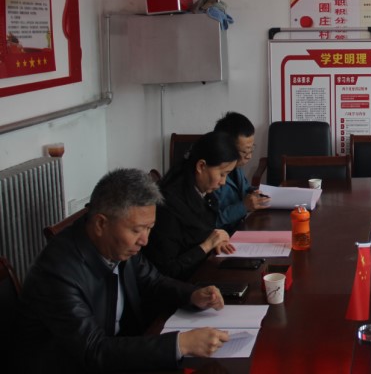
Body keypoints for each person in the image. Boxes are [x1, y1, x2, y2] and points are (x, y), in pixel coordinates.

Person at [14, 169, 231, 373]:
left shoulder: (117, 245)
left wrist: (192, 295)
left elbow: (153, 281)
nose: (144, 240)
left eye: (149, 228)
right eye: (137, 230)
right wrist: (179, 344)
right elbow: (94, 350)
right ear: (101, 224)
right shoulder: (57, 273)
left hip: (119, 352)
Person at [144, 131, 239, 280]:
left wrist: (217, 241)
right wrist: (207, 245)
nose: (223, 182)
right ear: (201, 166)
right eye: (222, 174)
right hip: (181, 285)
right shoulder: (168, 205)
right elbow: (167, 270)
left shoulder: (203, 193)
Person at [212, 111, 270, 232]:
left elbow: (244, 189)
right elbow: (210, 223)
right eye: (244, 151)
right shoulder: (210, 175)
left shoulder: (236, 166)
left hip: (242, 226)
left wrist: (259, 192)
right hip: (224, 236)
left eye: (251, 149)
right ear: (227, 147)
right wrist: (243, 206)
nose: (249, 156)